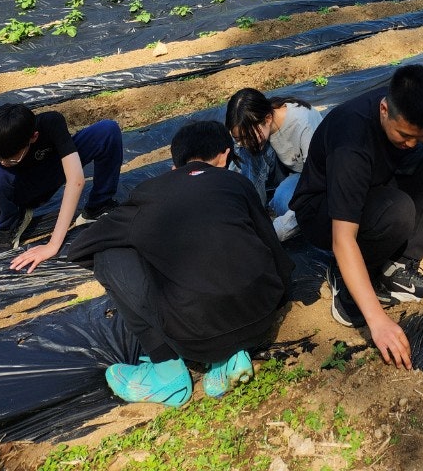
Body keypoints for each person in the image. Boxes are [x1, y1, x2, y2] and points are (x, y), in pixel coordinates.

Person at [69, 119, 293, 407]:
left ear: (174, 163)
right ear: (225, 155)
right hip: (262, 317)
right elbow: (272, 246)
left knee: (108, 257)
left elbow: (83, 246)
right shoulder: (238, 183)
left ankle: (167, 372)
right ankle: (229, 358)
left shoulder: (150, 192)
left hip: (197, 337)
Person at [292, 63, 423, 370]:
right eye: (404, 135)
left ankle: (397, 269)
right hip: (322, 210)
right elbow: (342, 238)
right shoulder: (352, 143)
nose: (411, 143)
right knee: (396, 211)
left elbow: (413, 146)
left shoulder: (404, 107)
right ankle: (346, 289)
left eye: (421, 135)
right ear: (384, 109)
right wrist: (378, 320)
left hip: (376, 184)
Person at [0, 103, 122, 269]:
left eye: (12, 158)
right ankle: (11, 224)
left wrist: (52, 245)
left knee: (107, 130)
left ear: (33, 137)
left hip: (53, 172)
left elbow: (76, 179)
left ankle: (98, 205)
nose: (4, 162)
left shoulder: (51, 123)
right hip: (22, 190)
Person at [224, 88, 323, 240]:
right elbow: (239, 165)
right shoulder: (257, 124)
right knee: (248, 152)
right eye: (238, 138)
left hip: (314, 175)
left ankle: (263, 223)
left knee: (282, 201)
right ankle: (254, 215)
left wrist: (275, 232)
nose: (242, 143)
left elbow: (317, 184)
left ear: (268, 119)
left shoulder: (303, 124)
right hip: (287, 168)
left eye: (245, 137)